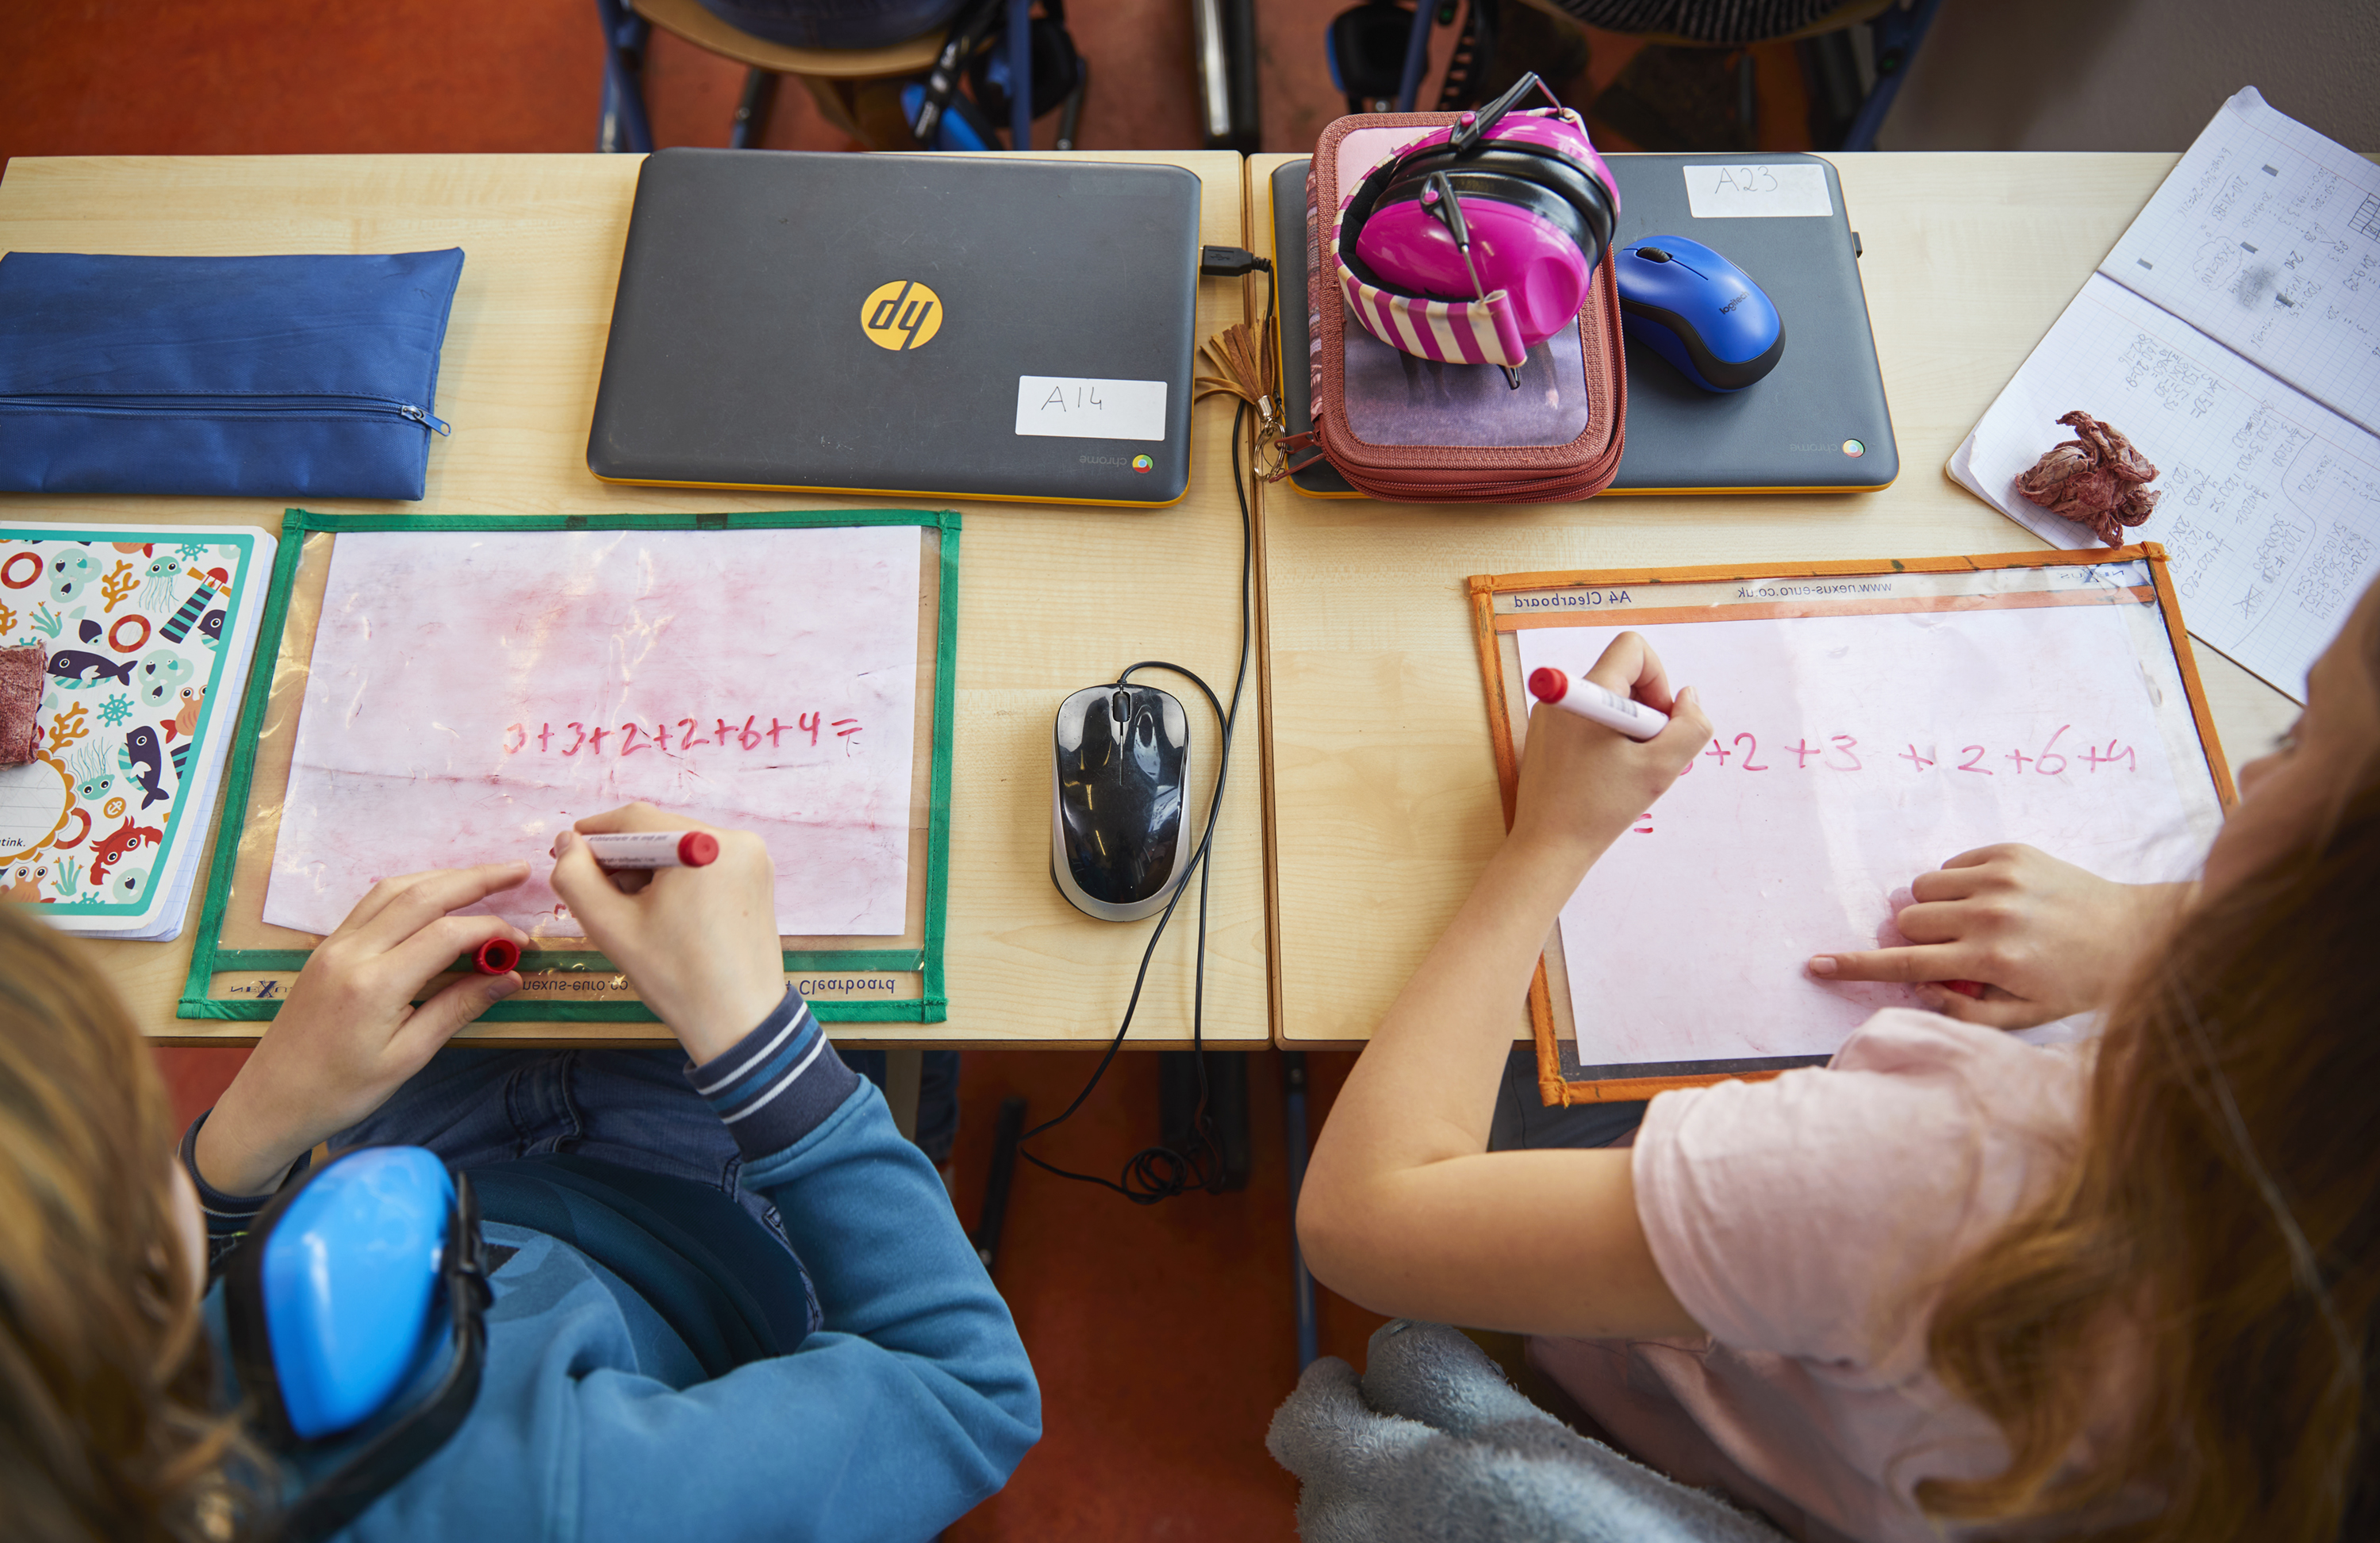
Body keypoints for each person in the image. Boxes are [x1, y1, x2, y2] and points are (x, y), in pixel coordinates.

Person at [1294, 578, 2380, 1543]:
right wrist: (2159, 933)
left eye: (2294, 741)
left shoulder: (1954, 1175)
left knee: (1496, 1043)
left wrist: (1551, 841)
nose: (2249, 764)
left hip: (1703, 1388)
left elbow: (1362, 1216)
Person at [2, 804, 1038, 1543]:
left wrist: (248, 1135)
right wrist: (758, 1039)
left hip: (431, 1179)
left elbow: (159, 1295)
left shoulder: (66, 1424)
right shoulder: (560, 1503)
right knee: (894, 942)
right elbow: (967, 1390)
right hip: (707, 1226)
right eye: (142, 1131)